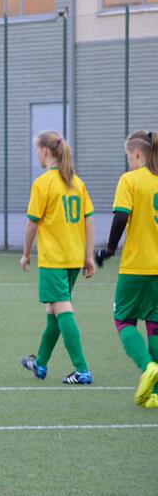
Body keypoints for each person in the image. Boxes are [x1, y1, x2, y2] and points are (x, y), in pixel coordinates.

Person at [19, 132, 95, 385]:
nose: (36, 154)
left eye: (37, 149)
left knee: (62, 308)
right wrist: (87, 257)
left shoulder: (43, 183)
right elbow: (88, 221)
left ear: (45, 151)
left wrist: (26, 253)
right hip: (73, 258)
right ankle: (40, 362)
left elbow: (32, 224)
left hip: (54, 259)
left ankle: (82, 369)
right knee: (53, 310)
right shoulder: (76, 183)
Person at [95, 130, 158, 408]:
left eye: (128, 156)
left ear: (136, 153)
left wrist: (109, 249)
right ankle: (153, 391)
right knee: (155, 326)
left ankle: (148, 367)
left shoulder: (130, 180)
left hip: (137, 266)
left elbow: (121, 215)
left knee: (124, 320)